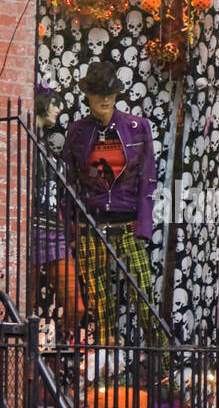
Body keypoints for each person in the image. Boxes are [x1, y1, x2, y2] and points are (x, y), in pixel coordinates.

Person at [61, 61, 159, 352]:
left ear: (117, 94)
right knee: (99, 306)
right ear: (88, 96)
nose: (105, 98)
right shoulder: (78, 132)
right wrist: (70, 229)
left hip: (128, 226)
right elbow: (67, 183)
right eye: (97, 92)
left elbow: (148, 179)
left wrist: (143, 227)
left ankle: (165, 369)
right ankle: (106, 370)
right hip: (92, 227)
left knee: (145, 302)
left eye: (110, 92)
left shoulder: (136, 127)